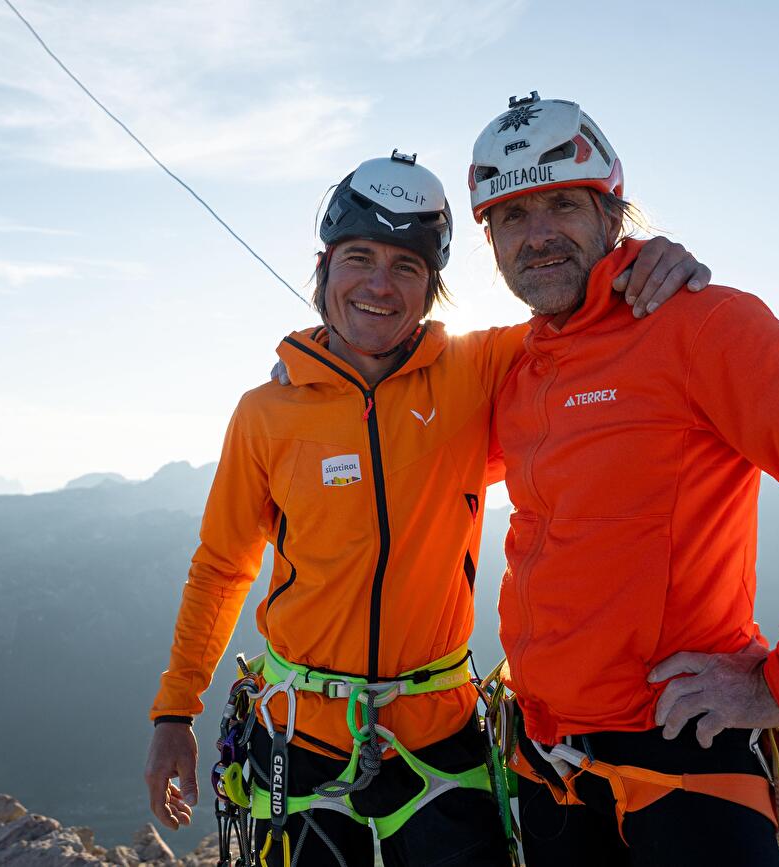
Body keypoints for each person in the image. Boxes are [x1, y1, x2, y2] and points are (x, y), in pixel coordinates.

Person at [143, 150, 711, 867]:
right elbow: (223, 566)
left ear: (432, 288)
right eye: (359, 257)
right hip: (301, 733)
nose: (379, 285)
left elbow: (587, 326)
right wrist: (174, 710)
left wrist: (643, 260)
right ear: (323, 268)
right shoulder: (266, 413)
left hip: (439, 734)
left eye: (406, 266)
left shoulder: (481, 369)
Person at [469, 93, 779, 865]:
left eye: (561, 204)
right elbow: (409, 417)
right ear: (490, 241)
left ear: (613, 214)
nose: (538, 234)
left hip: (689, 765)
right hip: (551, 767)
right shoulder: (518, 366)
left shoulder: (701, 325)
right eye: (512, 216)